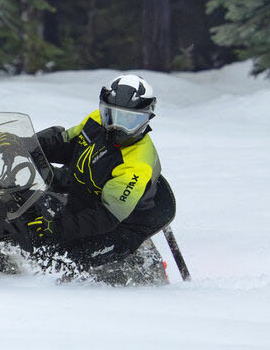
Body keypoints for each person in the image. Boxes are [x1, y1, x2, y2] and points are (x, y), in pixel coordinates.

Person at [12, 74, 176, 271]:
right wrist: (25, 145)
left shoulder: (137, 163)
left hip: (122, 224)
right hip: (86, 198)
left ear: (147, 118)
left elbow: (106, 217)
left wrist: (56, 228)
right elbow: (66, 143)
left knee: (61, 263)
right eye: (111, 114)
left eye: (129, 120)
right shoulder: (97, 121)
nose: (117, 126)